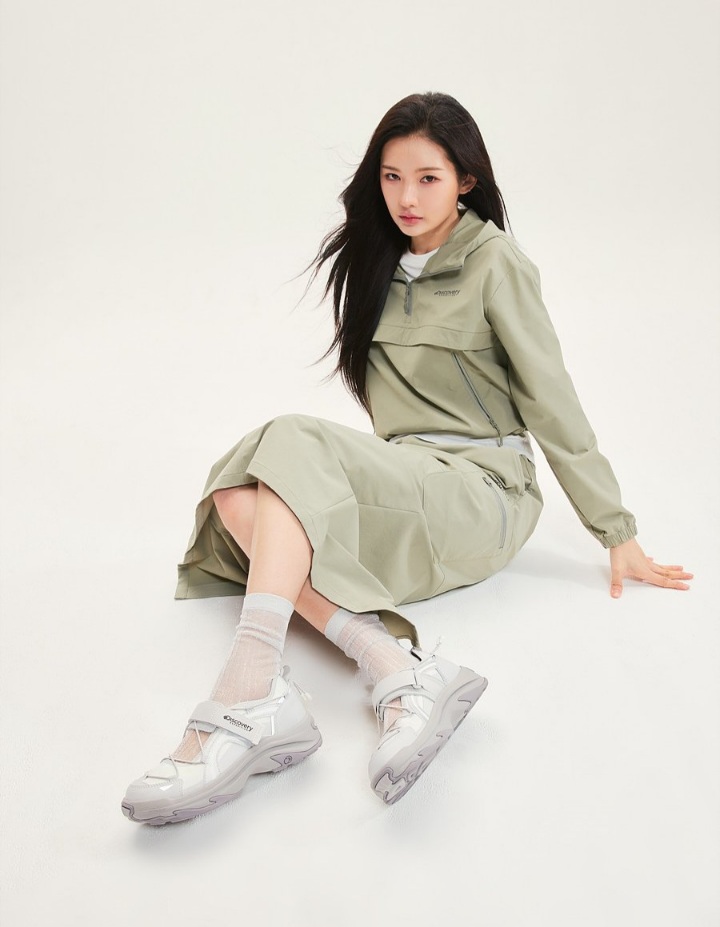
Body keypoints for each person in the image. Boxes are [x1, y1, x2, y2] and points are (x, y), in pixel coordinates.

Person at [121, 91, 693, 825]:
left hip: (484, 493)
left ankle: (248, 688)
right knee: (239, 494)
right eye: (392, 177)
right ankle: (393, 664)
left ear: (466, 181)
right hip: (410, 477)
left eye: (428, 178)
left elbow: (552, 399)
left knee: (287, 439)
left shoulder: (496, 263)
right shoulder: (377, 262)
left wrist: (616, 530)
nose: (407, 198)